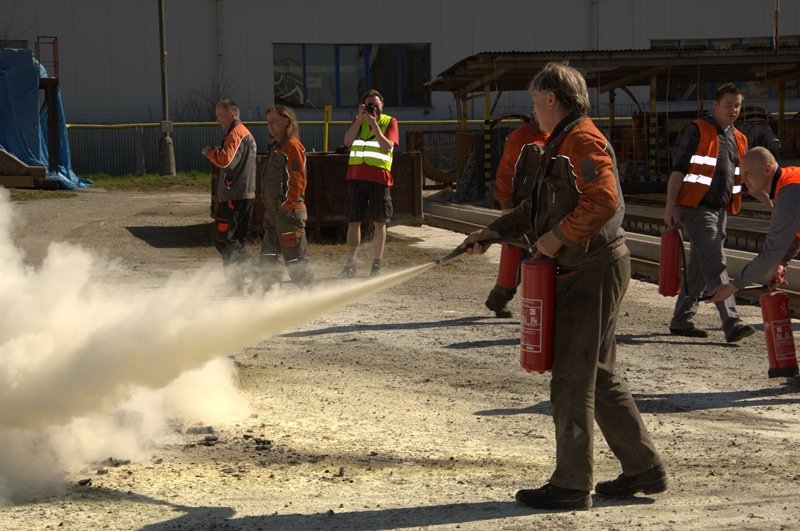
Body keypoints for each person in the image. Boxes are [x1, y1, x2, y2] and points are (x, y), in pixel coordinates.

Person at [461, 62, 665, 511]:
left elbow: (604, 199)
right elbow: (536, 208)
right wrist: (492, 232)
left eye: (536, 102)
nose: (533, 111)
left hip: (590, 270)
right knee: (599, 373)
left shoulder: (581, 140)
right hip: (590, 268)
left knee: (572, 376)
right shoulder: (559, 142)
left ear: (552, 99)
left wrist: (558, 238)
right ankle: (643, 467)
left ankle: (571, 485)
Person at [663, 84, 756, 343]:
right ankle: (732, 321)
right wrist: (670, 205)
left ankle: (682, 320)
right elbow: (679, 170)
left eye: (737, 106)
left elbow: (747, 178)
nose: (733, 110)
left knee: (698, 266)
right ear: (715, 105)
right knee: (716, 261)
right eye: (728, 105)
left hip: (720, 210)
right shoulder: (696, 130)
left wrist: (769, 200)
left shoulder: (739, 138)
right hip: (694, 207)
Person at [707, 147, 800, 302]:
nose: (743, 180)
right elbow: (796, 231)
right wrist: (783, 260)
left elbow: (771, 252)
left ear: (767, 169)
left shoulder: (790, 192)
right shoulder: (790, 179)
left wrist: (731, 287)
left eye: (747, 173)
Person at [485, 116, 548, 316]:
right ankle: (500, 300)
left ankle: (499, 300)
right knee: (517, 255)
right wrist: (506, 206)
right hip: (522, 207)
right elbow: (507, 172)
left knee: (533, 255)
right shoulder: (519, 138)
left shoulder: (556, 135)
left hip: (544, 208)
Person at [340, 90, 399, 278]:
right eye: (369, 105)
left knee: (380, 222)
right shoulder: (359, 121)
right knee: (353, 220)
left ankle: (376, 264)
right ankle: (350, 264)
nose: (374, 108)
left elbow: (387, 146)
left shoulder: (390, 122)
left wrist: (374, 125)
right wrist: (359, 119)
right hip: (356, 177)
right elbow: (347, 141)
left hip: (379, 178)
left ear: (382, 104)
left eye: (376, 104)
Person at [258, 104, 313, 287]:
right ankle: (270, 294)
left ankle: (310, 295)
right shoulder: (276, 147)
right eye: (268, 122)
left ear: (286, 121)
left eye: (274, 121)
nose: (270, 126)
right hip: (273, 214)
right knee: (268, 258)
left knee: (296, 261)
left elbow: (297, 180)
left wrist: (288, 206)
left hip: (288, 213)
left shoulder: (292, 146)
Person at [202, 99, 257, 269]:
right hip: (243, 195)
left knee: (223, 240)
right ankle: (236, 281)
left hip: (234, 196)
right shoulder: (242, 133)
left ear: (231, 114)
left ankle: (256, 270)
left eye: (220, 115)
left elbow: (225, 160)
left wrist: (209, 152)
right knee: (236, 241)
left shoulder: (236, 134)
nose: (217, 120)